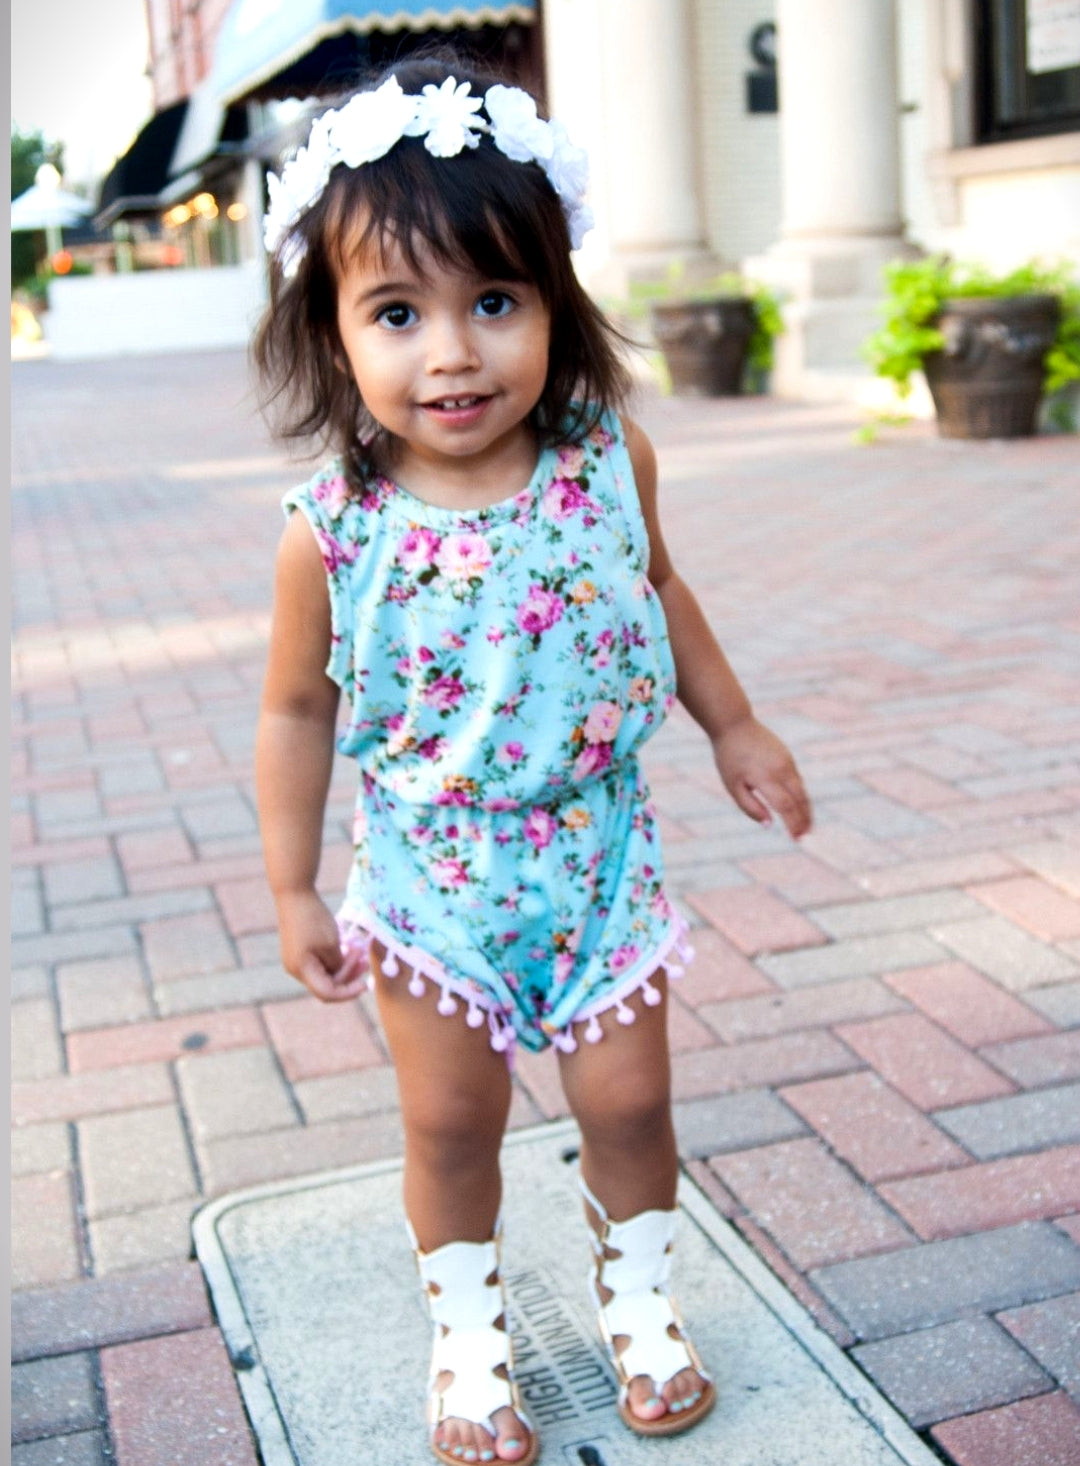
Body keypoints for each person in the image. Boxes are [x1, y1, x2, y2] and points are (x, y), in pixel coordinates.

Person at [254, 53, 812, 1466]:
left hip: (600, 851)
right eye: (398, 313)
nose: (453, 353)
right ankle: (468, 1342)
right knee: (453, 1121)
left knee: (630, 1100)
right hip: (434, 874)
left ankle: (642, 1306)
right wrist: (292, 884)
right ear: (333, 334)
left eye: (493, 303)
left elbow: (661, 591)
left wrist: (734, 723)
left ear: (556, 303)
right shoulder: (331, 530)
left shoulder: (606, 458)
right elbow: (295, 713)